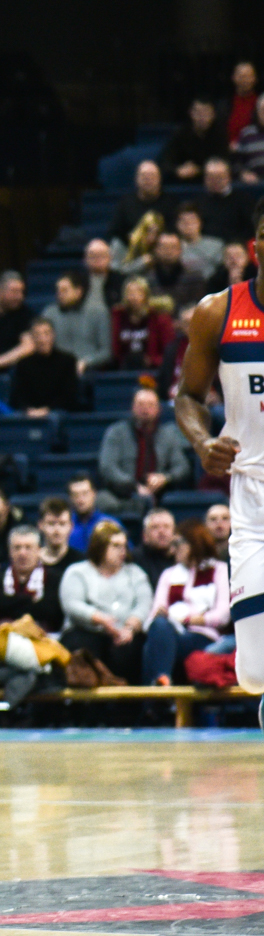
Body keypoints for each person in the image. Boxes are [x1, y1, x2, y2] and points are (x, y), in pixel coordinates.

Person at [174, 200, 264, 697]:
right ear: (255, 248)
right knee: (254, 673)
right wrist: (202, 440)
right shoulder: (218, 312)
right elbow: (188, 397)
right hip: (252, 495)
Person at [60, 522, 153, 683]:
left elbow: (144, 603)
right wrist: (100, 619)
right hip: (86, 630)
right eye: (115, 546)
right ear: (100, 546)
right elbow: (72, 604)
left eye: (124, 546)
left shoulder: (135, 573)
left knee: (131, 648)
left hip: (125, 633)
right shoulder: (77, 572)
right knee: (82, 644)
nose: (122, 551)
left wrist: (130, 627)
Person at [142, 520, 230, 685]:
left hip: (203, 635)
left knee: (152, 648)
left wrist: (190, 619)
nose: (173, 549)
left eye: (177, 544)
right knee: (159, 626)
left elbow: (223, 615)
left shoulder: (219, 570)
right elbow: (153, 615)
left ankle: (158, 689)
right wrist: (161, 615)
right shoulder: (169, 574)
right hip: (171, 632)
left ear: (194, 544)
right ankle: (162, 681)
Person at [98, 388, 192, 510]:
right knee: (102, 501)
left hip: (160, 493)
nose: (145, 409)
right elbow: (108, 467)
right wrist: (134, 486)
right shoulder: (117, 432)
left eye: (150, 405)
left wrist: (165, 478)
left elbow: (182, 466)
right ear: (132, 407)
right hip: (123, 494)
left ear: (159, 409)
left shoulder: (169, 435)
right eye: (140, 404)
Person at [0, 525, 65, 635]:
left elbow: (49, 611)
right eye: (17, 548)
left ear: (39, 550)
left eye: (28, 547)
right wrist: (29, 601)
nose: (22, 553)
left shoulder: (54, 579)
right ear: (9, 551)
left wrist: (7, 603)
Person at [9, 318, 82, 416]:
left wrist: (46, 410)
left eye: (46, 334)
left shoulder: (68, 361)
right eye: (37, 335)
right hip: (29, 412)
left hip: (57, 411)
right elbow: (18, 396)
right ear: (32, 338)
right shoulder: (23, 364)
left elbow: (69, 396)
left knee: (55, 417)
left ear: (53, 335)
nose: (42, 339)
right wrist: (29, 410)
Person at [41, 270, 110, 372]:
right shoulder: (49, 314)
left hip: (90, 370)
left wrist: (86, 362)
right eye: (58, 290)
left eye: (64, 290)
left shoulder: (98, 312)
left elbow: (106, 352)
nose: (59, 294)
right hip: (57, 370)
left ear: (78, 292)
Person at [111, 277, 176, 371]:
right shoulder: (119, 316)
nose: (134, 297)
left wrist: (153, 360)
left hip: (154, 370)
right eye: (130, 293)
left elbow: (170, 350)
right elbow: (116, 349)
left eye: (138, 292)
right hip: (125, 368)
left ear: (146, 295)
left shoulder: (159, 318)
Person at [159, 97, 228, 182]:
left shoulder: (219, 134)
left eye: (206, 112)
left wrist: (199, 170)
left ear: (213, 114)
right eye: (198, 113)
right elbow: (165, 161)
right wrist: (177, 170)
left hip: (211, 181)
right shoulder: (180, 134)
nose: (202, 117)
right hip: (183, 182)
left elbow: (225, 162)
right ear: (191, 113)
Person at [109, 161, 176, 245]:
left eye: (152, 176)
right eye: (144, 176)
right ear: (136, 179)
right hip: (131, 247)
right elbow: (114, 232)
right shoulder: (125, 203)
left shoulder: (171, 202)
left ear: (159, 179)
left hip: (163, 248)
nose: (148, 179)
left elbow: (175, 231)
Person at [138, 232, 207, 309]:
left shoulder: (194, 277)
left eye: (173, 247)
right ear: (156, 250)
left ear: (180, 250)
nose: (168, 251)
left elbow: (199, 304)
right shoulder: (145, 278)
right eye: (164, 247)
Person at [197, 158, 258, 244]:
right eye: (210, 177)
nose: (215, 181)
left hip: (237, 246)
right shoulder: (198, 202)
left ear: (228, 177)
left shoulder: (244, 200)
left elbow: (251, 228)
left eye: (219, 177)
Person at [66, 475, 117, 554]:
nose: (80, 499)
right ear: (70, 498)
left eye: (85, 493)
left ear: (94, 494)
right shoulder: (64, 525)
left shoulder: (110, 523)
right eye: (75, 495)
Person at [174, 203, 226, 279]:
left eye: (192, 221)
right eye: (183, 221)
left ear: (200, 223)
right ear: (177, 224)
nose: (188, 225)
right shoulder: (171, 247)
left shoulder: (216, 245)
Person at [132, 508, 179, 587]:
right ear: (145, 536)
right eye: (155, 527)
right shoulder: (135, 559)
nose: (161, 531)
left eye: (166, 526)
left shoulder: (182, 557)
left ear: (175, 532)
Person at [38, 496, 86, 569]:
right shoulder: (32, 561)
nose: (57, 530)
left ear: (71, 526)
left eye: (62, 524)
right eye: (51, 523)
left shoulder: (81, 563)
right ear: (41, 525)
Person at [83, 238, 127, 313]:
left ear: (110, 258)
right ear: (85, 259)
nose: (97, 259)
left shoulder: (121, 281)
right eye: (93, 256)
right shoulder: (78, 281)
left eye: (101, 255)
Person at [233, 96, 264, 183]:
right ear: (257, 112)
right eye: (263, 110)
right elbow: (236, 163)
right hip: (254, 184)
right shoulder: (246, 134)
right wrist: (243, 173)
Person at [227, 62, 259, 145]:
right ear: (233, 78)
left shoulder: (260, 103)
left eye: (248, 76)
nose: (244, 80)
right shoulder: (225, 104)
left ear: (255, 79)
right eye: (241, 76)